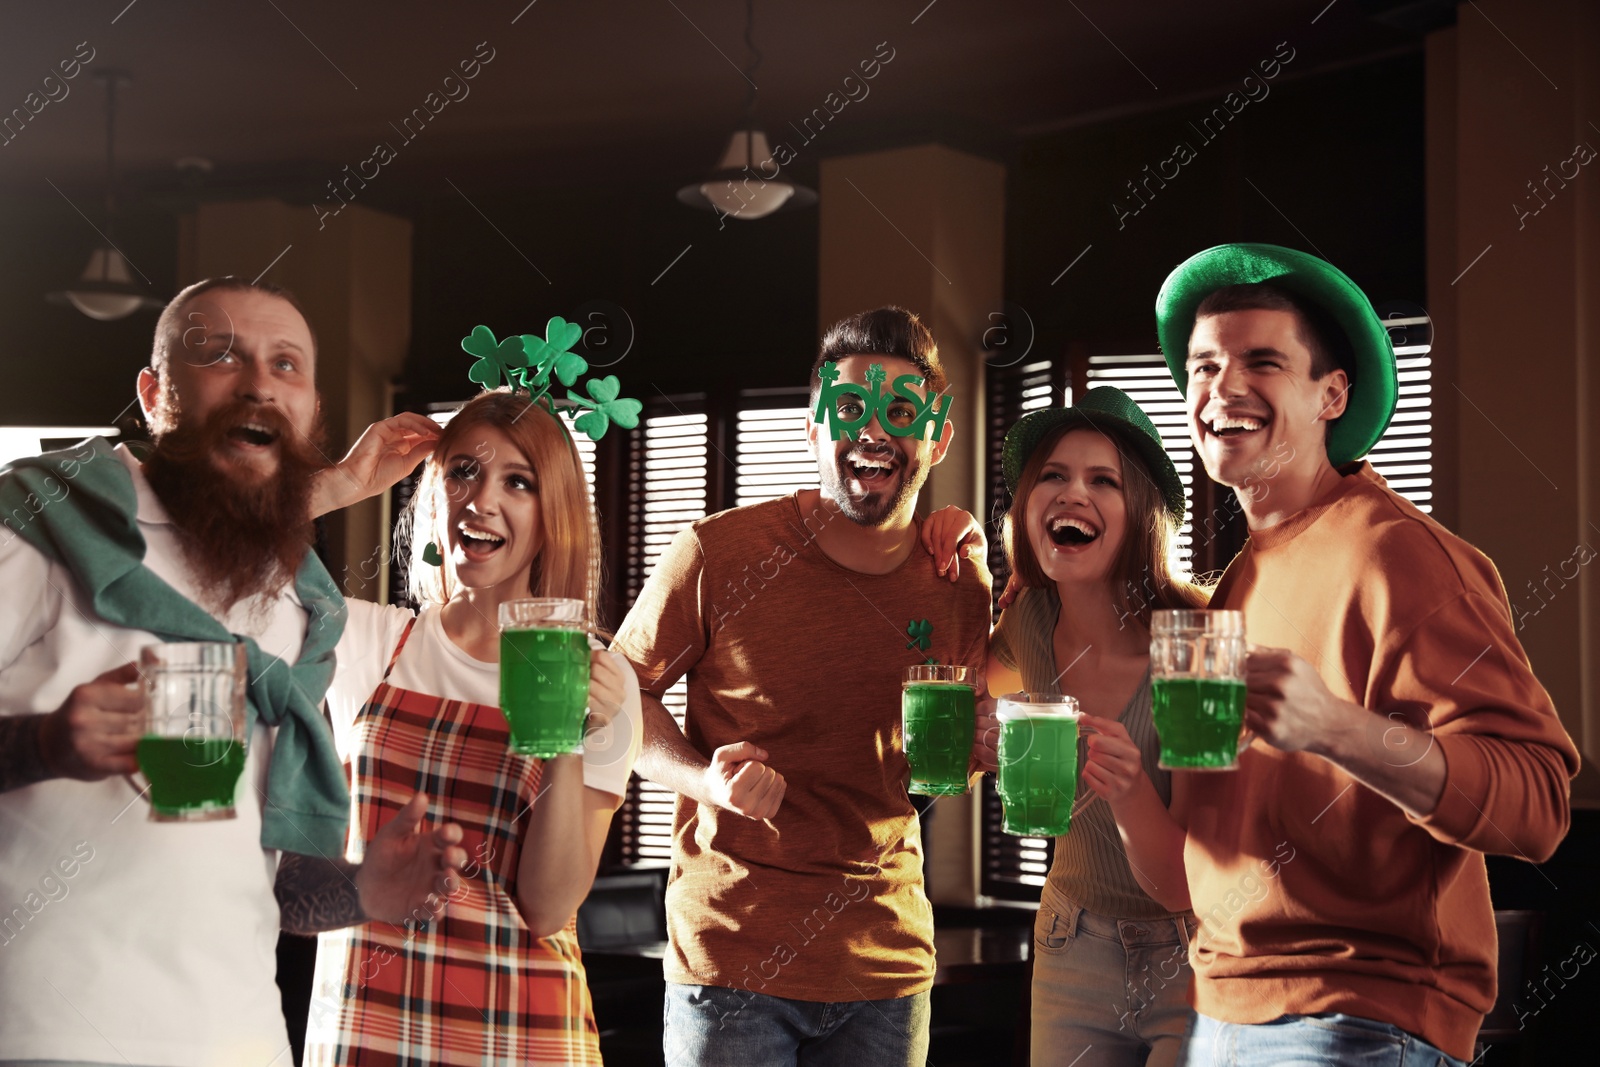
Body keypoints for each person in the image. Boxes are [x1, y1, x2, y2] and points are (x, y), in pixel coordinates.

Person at [1107, 243, 1580, 1066]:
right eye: (1204, 366)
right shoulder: (1236, 584)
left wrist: (1335, 727)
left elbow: (1538, 806)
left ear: (1332, 394)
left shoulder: (1399, 555)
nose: (1223, 390)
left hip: (1354, 1021)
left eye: (1262, 361)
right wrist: (1113, 784)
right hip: (1220, 1010)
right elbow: (1200, 874)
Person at [0, 277, 465, 1067]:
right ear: (155, 394)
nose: (256, 380)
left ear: (312, 410)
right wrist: (44, 743)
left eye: (286, 364)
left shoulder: (300, 607)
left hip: (241, 1040)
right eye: (218, 355)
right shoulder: (47, 523)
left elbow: (270, 879)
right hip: (46, 1032)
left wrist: (365, 890)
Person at [610, 306, 991, 1066]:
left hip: (887, 973)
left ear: (938, 435)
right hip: (732, 969)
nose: (874, 429)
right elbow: (617, 696)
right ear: (813, 426)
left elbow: (944, 754)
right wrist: (703, 780)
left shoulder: (959, 580)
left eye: (902, 412)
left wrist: (986, 748)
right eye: (849, 408)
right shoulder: (717, 553)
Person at [303, 388, 644, 1066]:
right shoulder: (369, 641)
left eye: (518, 481)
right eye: (464, 471)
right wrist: (339, 483)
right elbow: (217, 563)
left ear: (553, 516)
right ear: (435, 493)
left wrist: (565, 742)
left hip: (526, 1038)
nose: (482, 499)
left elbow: (547, 908)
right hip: (366, 1030)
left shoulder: (603, 678)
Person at [966, 387, 1207, 1067]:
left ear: (1143, 516)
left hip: (1193, 949)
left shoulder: (1193, 645)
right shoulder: (1027, 623)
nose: (1074, 493)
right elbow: (962, 710)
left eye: (1104, 480)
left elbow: (1187, 881)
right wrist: (982, 738)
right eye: (1053, 475)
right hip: (1071, 940)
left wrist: (1130, 791)